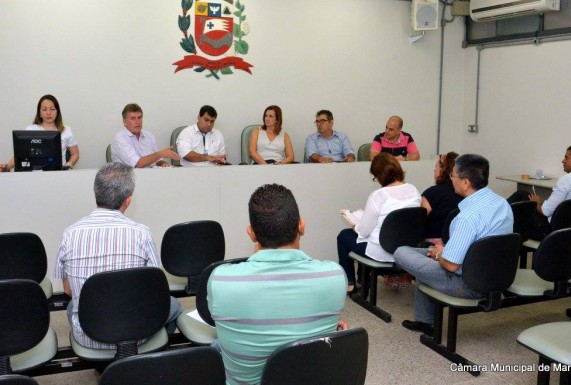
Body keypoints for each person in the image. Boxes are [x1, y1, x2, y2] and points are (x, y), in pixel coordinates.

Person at [207, 183, 347, 385]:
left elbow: (217, 320)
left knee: (215, 345)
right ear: (301, 226)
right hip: (308, 377)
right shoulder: (334, 275)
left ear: (252, 233)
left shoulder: (220, 280)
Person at [53, 162, 182, 349]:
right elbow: (155, 289)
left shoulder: (70, 234)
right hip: (138, 333)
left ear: (96, 194)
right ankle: (145, 359)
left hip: (90, 335)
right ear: (128, 200)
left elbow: (68, 290)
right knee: (175, 306)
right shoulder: (142, 233)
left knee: (73, 307)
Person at [394, 154, 513, 336]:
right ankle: (425, 320)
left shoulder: (466, 217)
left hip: (468, 283)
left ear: (465, 182)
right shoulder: (502, 203)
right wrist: (440, 252)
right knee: (422, 252)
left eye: (453, 176)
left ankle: (427, 321)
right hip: (495, 275)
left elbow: (450, 264)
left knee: (401, 252)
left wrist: (438, 254)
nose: (450, 179)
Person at [337, 152, 421, 293]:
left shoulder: (379, 196)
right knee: (366, 235)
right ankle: (362, 280)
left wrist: (355, 224)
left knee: (344, 236)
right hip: (407, 249)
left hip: (383, 251)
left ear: (380, 175)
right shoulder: (414, 190)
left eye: (375, 177)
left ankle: (350, 283)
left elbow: (363, 231)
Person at [507, 144, 571, 240]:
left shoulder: (566, 180)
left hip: (550, 233)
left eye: (566, 158)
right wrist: (541, 202)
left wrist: (537, 202)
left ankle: (497, 222)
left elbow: (546, 212)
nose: (563, 161)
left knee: (522, 195)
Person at [0, 94, 79, 172]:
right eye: (44, 109)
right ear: (40, 113)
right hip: (33, 174)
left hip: (58, 173)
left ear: (57, 111)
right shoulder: (31, 129)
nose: (48, 113)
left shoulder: (67, 130)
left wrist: (68, 165)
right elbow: (20, 155)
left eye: (52, 109)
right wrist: (6, 166)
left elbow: (75, 154)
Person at [111, 103, 180, 168]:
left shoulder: (149, 136)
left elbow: (157, 160)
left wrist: (163, 164)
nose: (137, 122)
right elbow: (137, 164)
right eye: (133, 118)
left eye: (139, 118)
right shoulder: (120, 138)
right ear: (125, 122)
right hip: (127, 178)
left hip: (149, 176)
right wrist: (161, 154)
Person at [422, 152, 463, 240]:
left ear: (443, 169)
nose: (434, 170)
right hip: (456, 239)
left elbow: (419, 221)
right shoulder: (465, 192)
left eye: (436, 166)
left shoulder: (431, 193)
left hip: (431, 242)